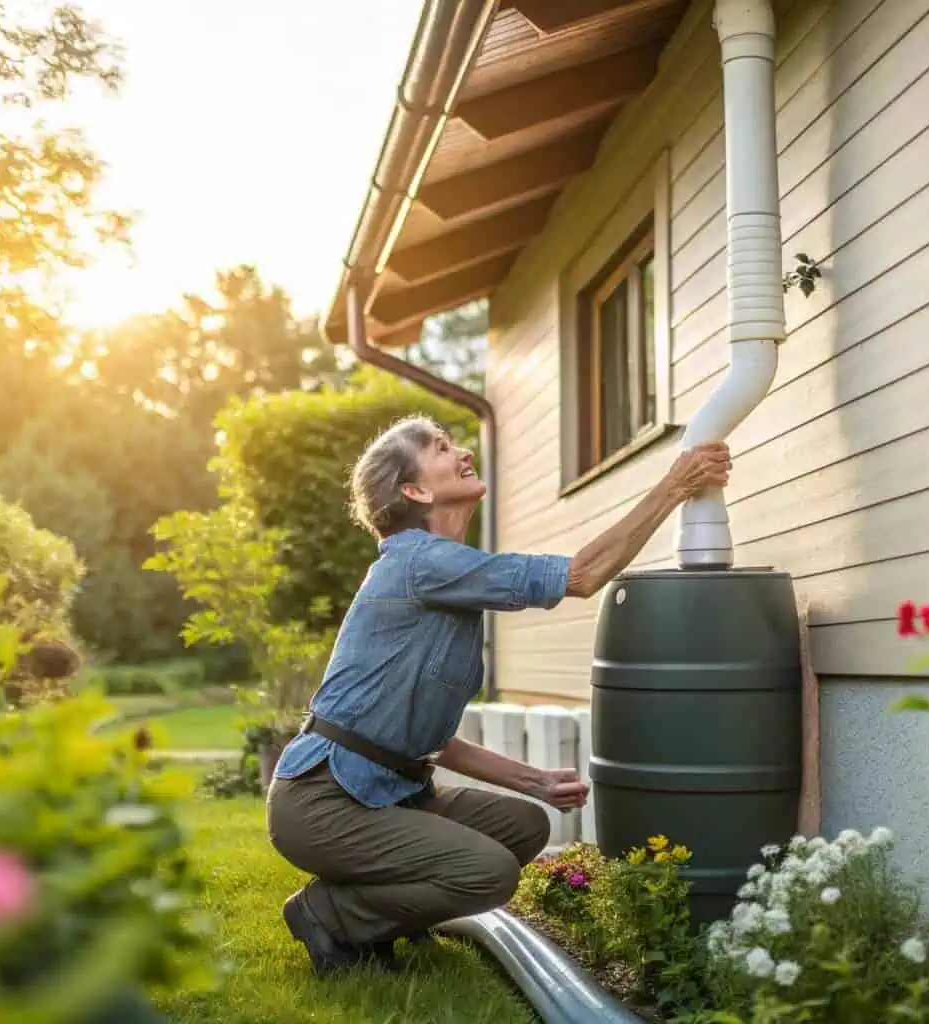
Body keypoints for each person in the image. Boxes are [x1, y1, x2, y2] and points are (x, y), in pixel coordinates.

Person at [266, 415, 732, 977]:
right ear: (414, 490)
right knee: (487, 872)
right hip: (324, 801)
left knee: (525, 826)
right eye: (441, 449)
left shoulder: (446, 574)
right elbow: (582, 576)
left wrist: (531, 781)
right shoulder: (419, 560)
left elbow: (430, 739)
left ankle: (382, 919)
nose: (462, 452)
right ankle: (331, 913)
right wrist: (674, 485)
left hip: (387, 793)